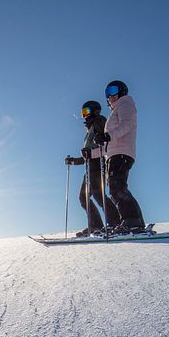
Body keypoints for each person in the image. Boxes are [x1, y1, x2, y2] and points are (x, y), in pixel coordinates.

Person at [95, 80, 147, 234]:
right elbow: (107, 144)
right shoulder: (116, 110)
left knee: (117, 188)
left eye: (113, 90)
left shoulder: (125, 104)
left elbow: (127, 125)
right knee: (117, 188)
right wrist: (90, 154)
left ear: (122, 90)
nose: (110, 95)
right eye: (107, 92)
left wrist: (107, 135)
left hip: (122, 153)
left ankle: (132, 223)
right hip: (114, 154)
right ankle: (134, 222)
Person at [65, 100, 121, 237]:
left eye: (87, 112)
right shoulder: (90, 129)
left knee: (97, 193)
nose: (84, 116)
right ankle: (96, 225)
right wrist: (74, 161)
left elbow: (107, 143)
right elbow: (87, 155)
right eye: (82, 113)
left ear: (95, 111)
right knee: (83, 196)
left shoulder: (100, 122)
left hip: (98, 162)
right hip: (90, 165)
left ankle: (116, 223)